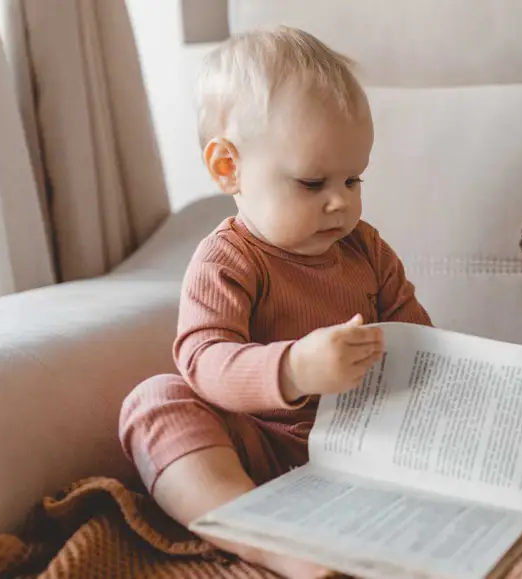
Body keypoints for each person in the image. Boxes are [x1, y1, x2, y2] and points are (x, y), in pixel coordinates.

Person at [118, 25, 431, 577]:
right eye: (312, 183)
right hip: (261, 448)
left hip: (368, 448)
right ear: (227, 167)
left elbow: (418, 335)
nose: (340, 203)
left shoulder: (367, 249)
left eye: (353, 180)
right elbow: (202, 360)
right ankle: (259, 534)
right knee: (154, 401)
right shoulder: (228, 259)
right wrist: (293, 368)